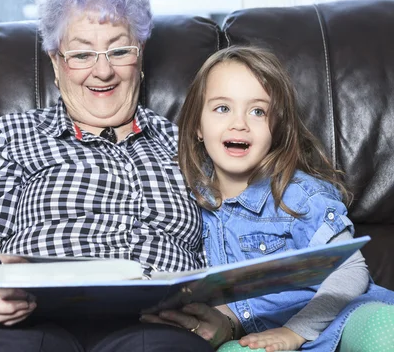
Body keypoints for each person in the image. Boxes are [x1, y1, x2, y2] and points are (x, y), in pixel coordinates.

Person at [0, 0, 213, 352]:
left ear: (141, 54)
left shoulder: (188, 144)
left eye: (119, 51)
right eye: (81, 55)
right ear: (55, 62)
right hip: (28, 322)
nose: (102, 72)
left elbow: (233, 244)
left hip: (155, 326)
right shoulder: (14, 134)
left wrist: (229, 318)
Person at [141, 45, 394, 351]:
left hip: (340, 321)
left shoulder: (297, 194)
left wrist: (295, 333)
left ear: (276, 128)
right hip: (258, 337)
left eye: (257, 111)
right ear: (197, 125)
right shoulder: (190, 201)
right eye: (223, 108)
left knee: (382, 328)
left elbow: (352, 271)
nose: (239, 123)